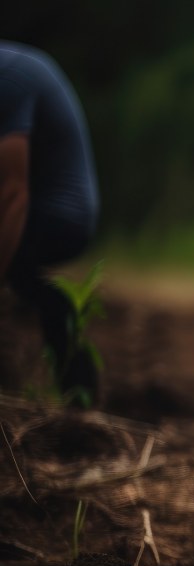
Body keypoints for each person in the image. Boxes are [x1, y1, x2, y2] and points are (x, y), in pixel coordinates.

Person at [0, 41, 100, 401]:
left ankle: (78, 392)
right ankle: (77, 387)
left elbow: (13, 194)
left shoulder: (7, 79)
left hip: (64, 215)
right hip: (41, 208)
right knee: (37, 291)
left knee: (37, 291)